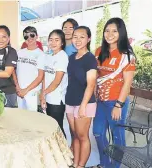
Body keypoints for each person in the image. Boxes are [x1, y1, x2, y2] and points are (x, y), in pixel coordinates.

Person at [93, 17, 136, 168]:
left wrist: (119, 105)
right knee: (98, 133)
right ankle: (104, 164)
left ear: (121, 33)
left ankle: (114, 166)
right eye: (107, 30)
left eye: (114, 31)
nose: (109, 34)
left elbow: (127, 83)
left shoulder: (127, 55)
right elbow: (95, 76)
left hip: (116, 102)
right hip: (101, 102)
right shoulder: (99, 51)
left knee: (118, 137)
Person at [65, 26, 97, 168]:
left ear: (88, 39)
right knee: (75, 135)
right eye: (75, 37)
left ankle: (81, 165)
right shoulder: (71, 57)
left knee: (83, 136)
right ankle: (75, 163)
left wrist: (83, 105)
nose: (77, 40)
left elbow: (91, 84)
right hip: (70, 100)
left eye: (82, 37)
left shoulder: (90, 59)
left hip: (84, 103)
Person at [40, 29, 69, 137]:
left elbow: (57, 81)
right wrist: (43, 94)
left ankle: (64, 152)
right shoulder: (49, 56)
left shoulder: (62, 56)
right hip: (48, 97)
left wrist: (44, 93)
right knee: (51, 128)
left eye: (57, 40)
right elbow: (44, 77)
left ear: (62, 42)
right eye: (51, 40)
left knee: (58, 129)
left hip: (57, 99)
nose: (53, 43)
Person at [14, 26, 45, 111]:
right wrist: (17, 87)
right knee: (21, 118)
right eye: (26, 36)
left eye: (32, 35)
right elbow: (14, 71)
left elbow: (40, 76)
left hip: (32, 93)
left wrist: (25, 90)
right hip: (19, 92)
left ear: (37, 36)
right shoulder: (19, 53)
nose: (29, 38)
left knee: (32, 120)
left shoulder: (41, 55)